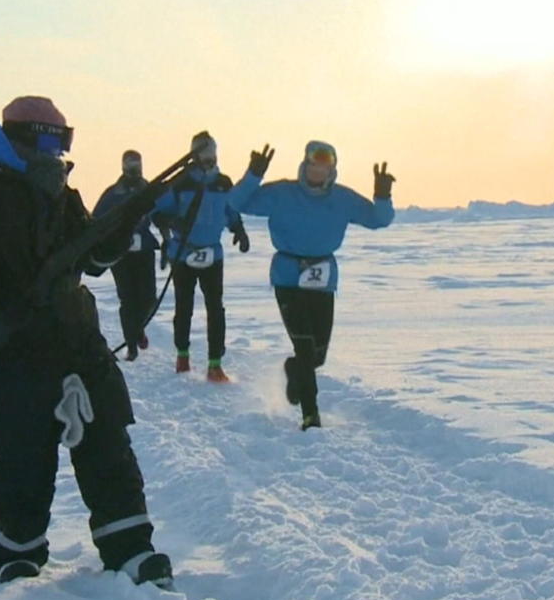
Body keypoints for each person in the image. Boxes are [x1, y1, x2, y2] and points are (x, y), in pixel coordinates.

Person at [0, 96, 172, 586]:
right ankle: (19, 551)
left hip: (79, 340)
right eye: (51, 140)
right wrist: (2, 302)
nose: (59, 153)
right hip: (16, 351)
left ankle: (130, 550)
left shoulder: (62, 193)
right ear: (24, 138)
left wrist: (125, 225)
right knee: (22, 455)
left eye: (64, 142)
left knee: (108, 443)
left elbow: (92, 261)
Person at [227, 141, 395, 430]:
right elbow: (237, 202)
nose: (318, 172)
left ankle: (296, 370)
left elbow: (379, 220)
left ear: (332, 170)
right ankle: (310, 414)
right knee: (304, 347)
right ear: (305, 166)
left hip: (323, 278)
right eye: (314, 166)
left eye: (325, 168)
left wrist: (382, 194)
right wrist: (254, 174)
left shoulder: (342, 199)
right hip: (288, 277)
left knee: (317, 355)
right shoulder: (282, 193)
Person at [152, 131, 250, 382]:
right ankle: (182, 356)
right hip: (183, 254)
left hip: (212, 254)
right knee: (184, 306)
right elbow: (158, 212)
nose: (209, 158)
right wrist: (174, 222)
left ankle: (214, 364)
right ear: (194, 155)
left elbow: (230, 210)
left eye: (212, 153)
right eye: (204, 153)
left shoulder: (223, 183)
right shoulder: (181, 183)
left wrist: (238, 228)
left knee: (215, 308)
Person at [93, 150, 160, 361]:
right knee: (128, 299)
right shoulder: (113, 194)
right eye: (131, 166)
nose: (135, 170)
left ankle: (137, 329)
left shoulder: (149, 190)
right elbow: (96, 219)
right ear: (123, 167)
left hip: (145, 250)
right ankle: (131, 344)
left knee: (149, 298)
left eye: (137, 165)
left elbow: (160, 213)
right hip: (120, 253)